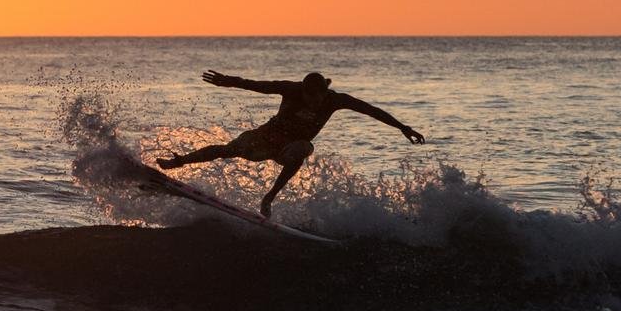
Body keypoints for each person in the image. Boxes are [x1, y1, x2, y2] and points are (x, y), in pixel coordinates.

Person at [157, 70, 426, 215]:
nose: (313, 102)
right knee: (228, 150)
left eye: (317, 98)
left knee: (301, 150)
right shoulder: (292, 89)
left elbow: (371, 110)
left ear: (323, 93)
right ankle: (178, 161)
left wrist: (403, 127)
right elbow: (258, 85)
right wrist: (229, 81)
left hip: (292, 146)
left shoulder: (335, 100)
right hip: (268, 137)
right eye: (308, 97)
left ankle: (268, 199)